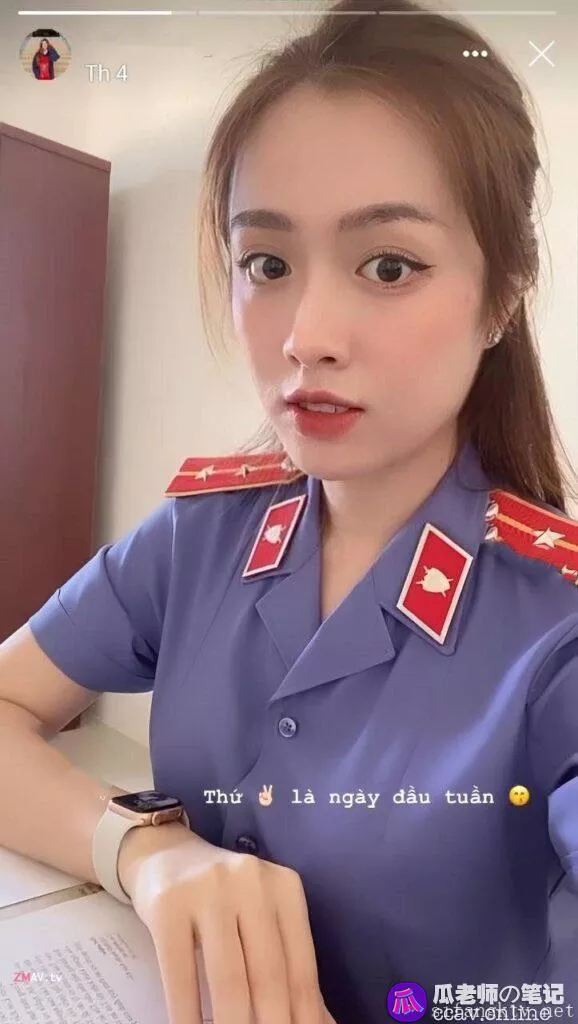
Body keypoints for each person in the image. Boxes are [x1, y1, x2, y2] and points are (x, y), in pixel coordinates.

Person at [1, 0, 577, 1021]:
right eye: (266, 264)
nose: (306, 335)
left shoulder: (555, 631)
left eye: (388, 265)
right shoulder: (202, 535)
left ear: (503, 292)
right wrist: (143, 846)